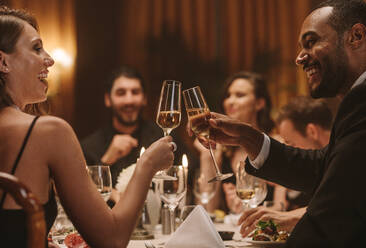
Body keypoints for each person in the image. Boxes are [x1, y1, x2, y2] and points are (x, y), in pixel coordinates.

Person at [193, 0, 366, 246]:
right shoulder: (355, 100)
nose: (299, 57)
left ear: (356, 36)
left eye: (311, 42)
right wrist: (248, 137)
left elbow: (334, 215)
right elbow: (323, 168)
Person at [0, 6, 174, 247]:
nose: (50, 60)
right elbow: (110, 240)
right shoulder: (47, 132)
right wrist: (147, 166)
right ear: (3, 61)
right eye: (37, 48)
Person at [81, 66, 196, 205]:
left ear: (144, 99)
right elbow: (81, 192)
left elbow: (193, 176)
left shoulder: (162, 137)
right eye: (121, 93)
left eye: (135, 92)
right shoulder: (91, 145)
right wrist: (107, 160)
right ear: (108, 99)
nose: (129, 100)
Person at [237, 96, 333, 233]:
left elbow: (339, 206)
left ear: (312, 131)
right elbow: (279, 208)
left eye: (289, 143)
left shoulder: (343, 160)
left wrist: (288, 217)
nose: (287, 149)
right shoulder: (306, 170)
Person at [194, 71, 286, 213]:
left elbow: (282, 207)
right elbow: (206, 209)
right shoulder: (222, 150)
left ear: (259, 103)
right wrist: (208, 156)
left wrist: (248, 209)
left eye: (240, 95)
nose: (230, 101)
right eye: (228, 95)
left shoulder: (276, 145)